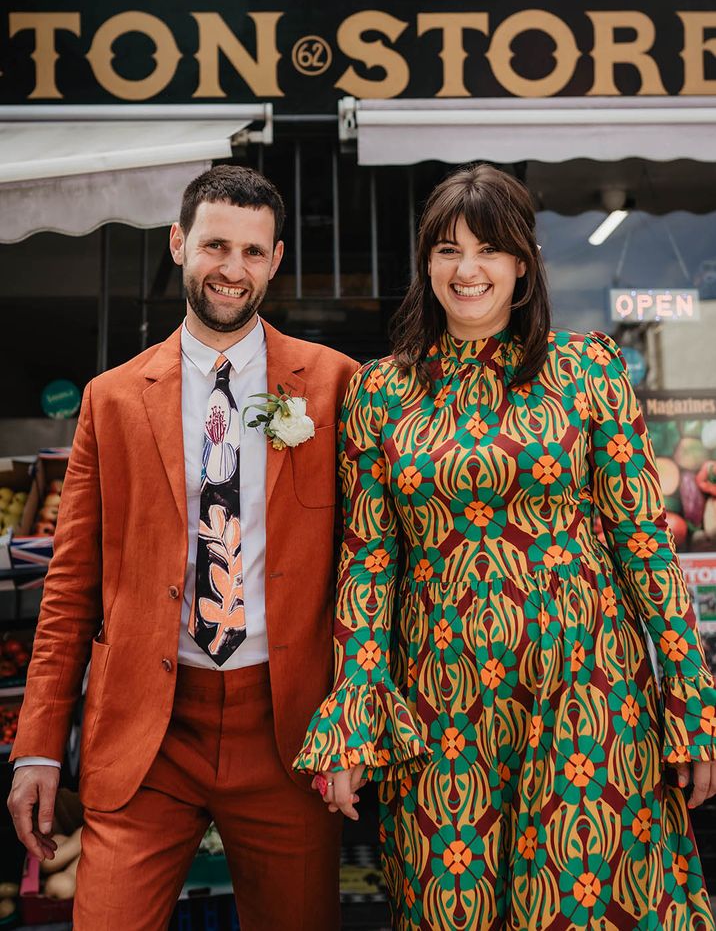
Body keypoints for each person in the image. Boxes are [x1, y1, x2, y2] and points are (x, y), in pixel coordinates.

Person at [296, 163, 716, 930]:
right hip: (439, 706)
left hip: (588, 695)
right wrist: (353, 717)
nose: (468, 270)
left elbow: (644, 546)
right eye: (448, 250)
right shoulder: (379, 391)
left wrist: (690, 703)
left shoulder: (587, 370)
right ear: (426, 263)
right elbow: (369, 561)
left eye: (489, 249)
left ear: (522, 262)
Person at [8, 164, 358, 931]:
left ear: (276, 259)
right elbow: (69, 587)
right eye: (215, 245)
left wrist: (357, 719)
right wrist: (37, 748)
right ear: (178, 243)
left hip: (289, 730)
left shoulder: (336, 386)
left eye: (254, 252)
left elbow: (372, 566)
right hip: (147, 731)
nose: (233, 269)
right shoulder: (111, 397)